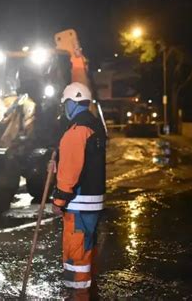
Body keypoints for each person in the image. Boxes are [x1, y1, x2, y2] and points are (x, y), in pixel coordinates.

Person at [51, 82, 106, 300]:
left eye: (66, 104)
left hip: (79, 202)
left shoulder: (76, 132)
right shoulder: (96, 127)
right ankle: (87, 288)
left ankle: (79, 293)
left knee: (77, 249)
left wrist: (59, 201)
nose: (65, 108)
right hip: (94, 201)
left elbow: (70, 173)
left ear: (73, 103)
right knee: (88, 245)